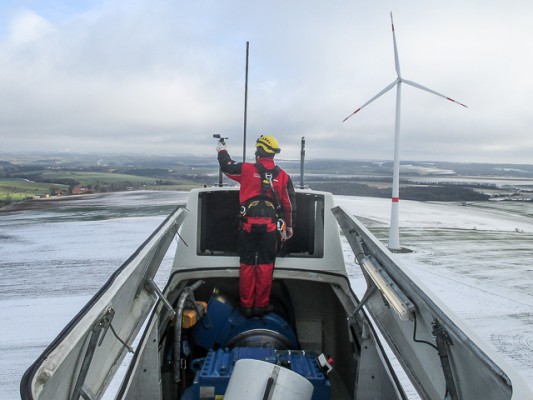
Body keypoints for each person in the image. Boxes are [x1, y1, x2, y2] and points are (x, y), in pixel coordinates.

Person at [217, 135, 296, 317]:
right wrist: (289, 227)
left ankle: (246, 306)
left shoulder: (246, 169)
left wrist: (222, 149)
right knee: (265, 265)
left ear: (258, 151)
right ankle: (261, 305)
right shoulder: (283, 176)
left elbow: (226, 166)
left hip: (247, 227)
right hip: (270, 229)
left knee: (247, 265)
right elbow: (288, 206)